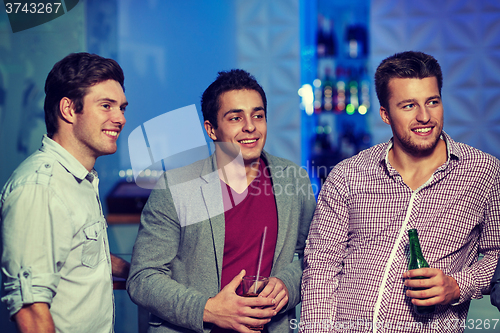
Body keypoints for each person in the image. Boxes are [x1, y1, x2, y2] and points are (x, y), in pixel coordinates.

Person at [300, 51, 500, 332]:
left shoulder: (484, 173)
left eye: (433, 102)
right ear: (385, 114)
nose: (424, 117)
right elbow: (321, 267)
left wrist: (457, 286)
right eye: (408, 106)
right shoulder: (348, 174)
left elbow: (497, 257)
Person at [127, 69, 316, 333]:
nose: (250, 126)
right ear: (211, 129)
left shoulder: (293, 180)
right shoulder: (176, 187)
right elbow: (143, 278)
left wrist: (287, 284)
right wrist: (209, 309)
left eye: (258, 115)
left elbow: (316, 257)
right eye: (235, 117)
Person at [0, 52, 130, 333]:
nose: (119, 118)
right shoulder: (40, 188)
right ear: (69, 109)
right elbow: (31, 310)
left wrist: (141, 275)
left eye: (121, 107)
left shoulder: (79, 180)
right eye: (106, 106)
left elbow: (80, 257)